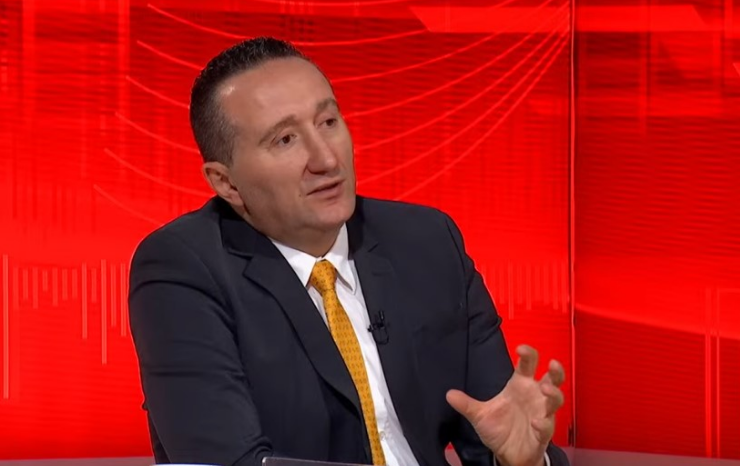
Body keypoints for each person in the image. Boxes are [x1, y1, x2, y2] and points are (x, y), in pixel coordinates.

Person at [128, 37, 569, 466]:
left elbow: (498, 432)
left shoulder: (427, 242)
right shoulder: (183, 271)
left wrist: (520, 461)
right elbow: (227, 460)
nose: (326, 159)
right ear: (225, 182)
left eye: (328, 122)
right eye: (285, 139)